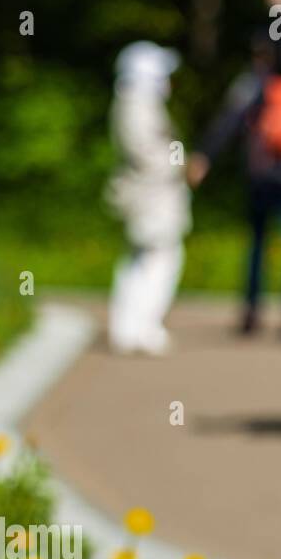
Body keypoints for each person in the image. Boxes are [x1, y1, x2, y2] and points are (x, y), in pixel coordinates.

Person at [187, 0, 281, 338]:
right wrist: (207, 153)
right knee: (266, 239)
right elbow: (235, 110)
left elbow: (238, 107)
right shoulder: (270, 60)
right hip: (269, 164)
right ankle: (261, 307)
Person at [106, 41, 191, 356]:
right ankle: (139, 327)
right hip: (151, 199)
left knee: (145, 259)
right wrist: (180, 164)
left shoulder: (135, 103)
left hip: (153, 198)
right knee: (155, 260)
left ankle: (131, 327)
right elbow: (147, 154)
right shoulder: (135, 105)